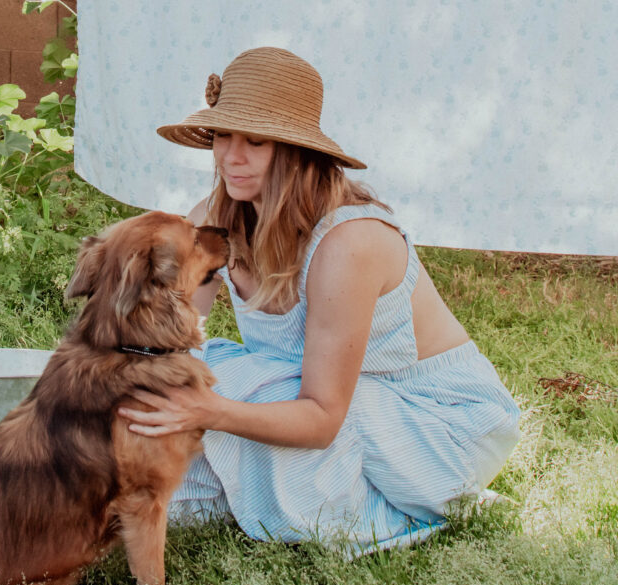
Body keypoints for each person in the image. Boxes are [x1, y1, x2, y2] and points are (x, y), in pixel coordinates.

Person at [118, 47, 521, 555]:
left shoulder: (349, 242)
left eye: (256, 141)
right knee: (185, 387)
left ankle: (402, 502)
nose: (230, 157)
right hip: (312, 396)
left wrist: (208, 410)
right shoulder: (216, 218)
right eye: (223, 135)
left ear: (295, 149)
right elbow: (170, 340)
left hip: (435, 428)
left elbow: (323, 416)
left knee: (240, 382)